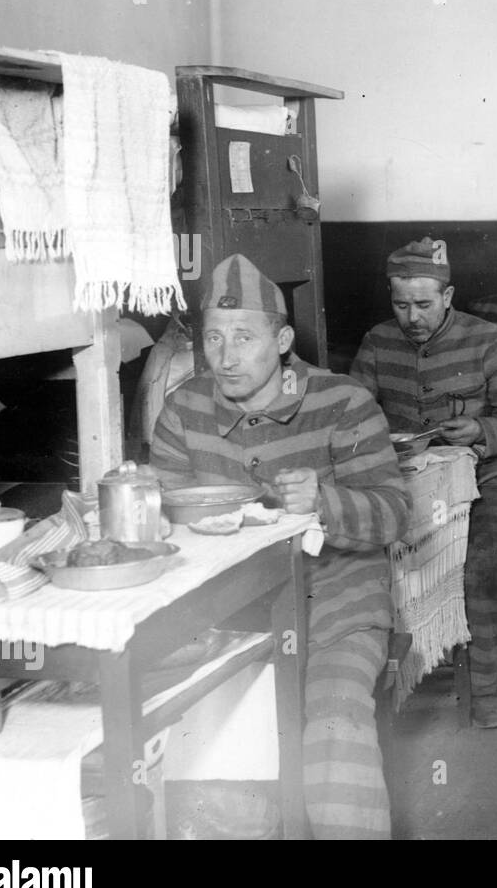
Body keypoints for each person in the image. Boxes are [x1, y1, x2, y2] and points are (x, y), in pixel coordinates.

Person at [151, 254, 410, 838]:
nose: (226, 355)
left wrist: (323, 501)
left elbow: (394, 513)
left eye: (244, 337)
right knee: (204, 729)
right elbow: (162, 520)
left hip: (336, 608)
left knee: (332, 724)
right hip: (231, 617)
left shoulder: (343, 401)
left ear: (284, 339)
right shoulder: (184, 409)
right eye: (214, 338)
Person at [349, 238, 497, 729]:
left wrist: (481, 431)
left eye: (423, 304)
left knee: (488, 562)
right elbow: (351, 420)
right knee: (363, 563)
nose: (411, 317)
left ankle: (483, 688)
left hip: (485, 472)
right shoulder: (376, 343)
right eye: (400, 304)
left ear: (448, 296)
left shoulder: (488, 340)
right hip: (404, 478)